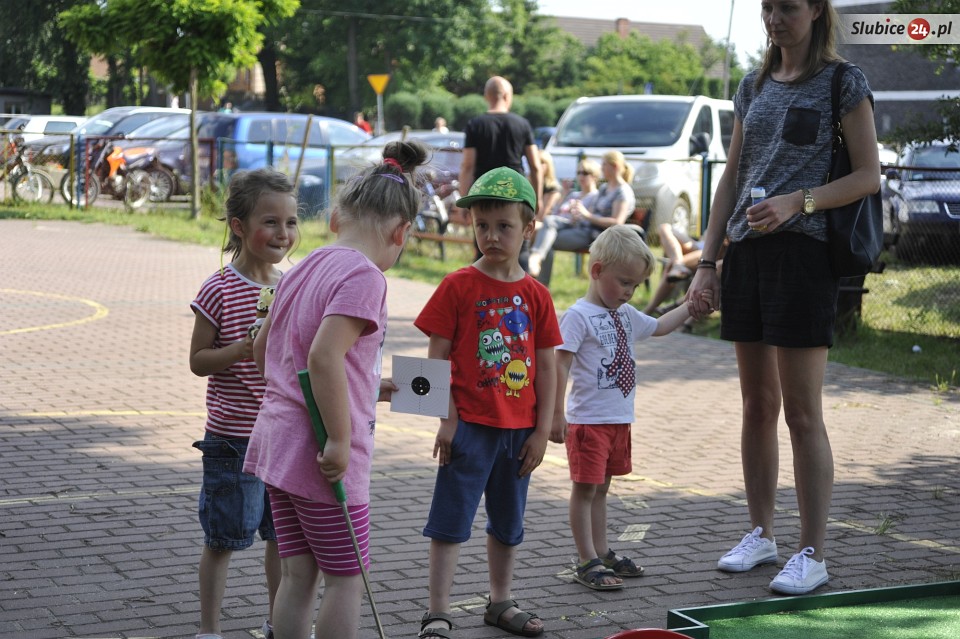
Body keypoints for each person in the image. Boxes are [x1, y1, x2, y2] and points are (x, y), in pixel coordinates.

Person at [686, 0, 880, 596]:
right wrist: (708, 262)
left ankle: (812, 553)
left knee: (801, 412)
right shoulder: (752, 84)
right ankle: (762, 533)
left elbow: (869, 175)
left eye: (787, 7)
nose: (775, 18)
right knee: (756, 406)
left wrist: (800, 200)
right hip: (747, 256)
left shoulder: (844, 81)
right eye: (767, 7)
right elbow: (732, 176)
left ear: (816, 10)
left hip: (803, 256)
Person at [242, 141, 428, 639]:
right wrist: (340, 440)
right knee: (346, 581)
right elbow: (323, 357)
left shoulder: (303, 267)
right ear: (401, 232)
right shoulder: (366, 277)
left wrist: (367, 389)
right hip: (321, 453)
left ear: (334, 219)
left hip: (278, 444)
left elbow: (264, 350)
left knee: (298, 576)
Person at [414, 166, 562, 639]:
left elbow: (547, 367)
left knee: (508, 524)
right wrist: (446, 420)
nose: (492, 236)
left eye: (504, 226)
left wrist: (542, 431)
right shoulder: (457, 285)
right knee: (449, 522)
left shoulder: (537, 295)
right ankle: (437, 611)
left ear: (529, 228)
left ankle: (500, 602)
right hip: (469, 429)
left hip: (519, 435)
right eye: (482, 225)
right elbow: (434, 359)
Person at [553, 226, 711, 590]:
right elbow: (560, 364)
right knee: (584, 490)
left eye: (636, 286)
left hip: (618, 420)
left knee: (602, 489)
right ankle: (586, 559)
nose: (629, 292)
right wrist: (556, 414)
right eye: (624, 282)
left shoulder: (624, 313)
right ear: (597, 271)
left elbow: (658, 326)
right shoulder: (578, 316)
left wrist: (688, 306)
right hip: (589, 422)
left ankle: (602, 551)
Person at [189, 168, 300, 639]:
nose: (283, 233)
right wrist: (241, 348)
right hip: (233, 439)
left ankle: (279, 623)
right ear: (239, 226)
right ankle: (210, 630)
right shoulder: (218, 287)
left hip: (282, 435)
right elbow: (198, 361)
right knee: (223, 539)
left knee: (283, 540)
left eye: (291, 222)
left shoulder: (291, 285)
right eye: (270, 222)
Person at [460, 76, 543, 263]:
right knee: (519, 248)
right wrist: (537, 200)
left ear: (486, 96)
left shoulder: (475, 124)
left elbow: (467, 166)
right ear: (506, 96)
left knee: (484, 249)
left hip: (484, 194)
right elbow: (536, 167)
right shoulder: (522, 124)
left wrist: (464, 199)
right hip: (515, 193)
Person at [527, 150, 636, 286]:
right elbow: (592, 212)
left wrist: (586, 215)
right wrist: (578, 214)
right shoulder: (605, 188)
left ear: (614, 166)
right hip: (582, 228)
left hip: (596, 236)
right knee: (547, 229)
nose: (601, 168)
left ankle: (540, 283)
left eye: (604, 165)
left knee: (544, 238)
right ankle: (537, 278)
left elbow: (617, 222)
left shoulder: (623, 191)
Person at [641, 224, 705, 317]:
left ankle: (648, 310)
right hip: (700, 243)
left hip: (712, 249)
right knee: (664, 227)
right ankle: (678, 265)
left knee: (671, 267)